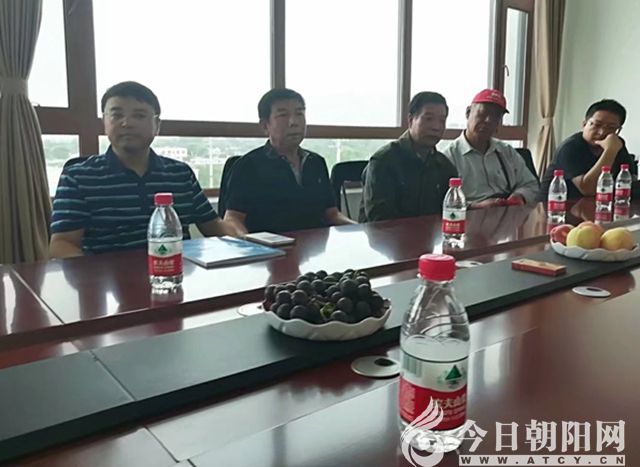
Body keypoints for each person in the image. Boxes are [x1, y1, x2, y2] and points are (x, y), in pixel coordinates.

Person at [50, 81, 238, 258]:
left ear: (157, 125)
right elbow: (62, 244)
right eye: (116, 115)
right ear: (104, 123)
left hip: (174, 273)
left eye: (139, 116)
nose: (127, 123)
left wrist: (248, 240)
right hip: (109, 280)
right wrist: (96, 276)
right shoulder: (78, 177)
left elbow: (215, 227)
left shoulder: (180, 174)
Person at [223, 88, 355, 234]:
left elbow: (332, 214)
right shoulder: (248, 166)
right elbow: (233, 219)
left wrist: (361, 230)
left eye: (299, 114)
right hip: (270, 246)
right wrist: (249, 243)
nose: (293, 122)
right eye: (283, 115)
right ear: (265, 126)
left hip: (314, 246)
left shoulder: (316, 162)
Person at [359, 92, 458, 222]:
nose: (436, 127)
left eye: (442, 121)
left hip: (431, 234)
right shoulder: (384, 161)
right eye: (428, 119)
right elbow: (380, 220)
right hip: (388, 234)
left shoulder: (444, 165)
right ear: (411, 120)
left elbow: (451, 210)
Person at [443, 89, 539, 208]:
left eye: (495, 117)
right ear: (468, 113)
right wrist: (477, 206)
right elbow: (444, 202)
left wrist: (520, 196)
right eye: (483, 113)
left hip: (507, 214)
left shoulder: (507, 151)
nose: (488, 120)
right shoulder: (449, 156)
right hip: (470, 216)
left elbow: (531, 185)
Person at [539, 99, 637, 200]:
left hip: (599, 206)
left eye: (611, 128)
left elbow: (629, 181)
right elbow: (588, 189)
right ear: (584, 124)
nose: (602, 132)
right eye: (596, 125)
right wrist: (610, 151)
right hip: (556, 207)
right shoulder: (570, 147)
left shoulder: (617, 144)